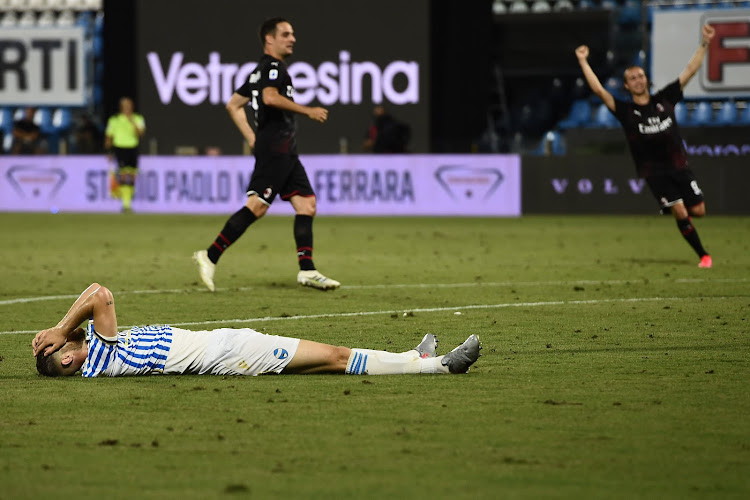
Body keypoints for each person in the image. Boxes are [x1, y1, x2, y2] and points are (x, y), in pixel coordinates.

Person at [31, 283, 481, 378]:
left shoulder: (96, 353)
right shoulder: (103, 357)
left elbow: (94, 301)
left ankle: (413, 358)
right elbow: (100, 295)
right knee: (335, 356)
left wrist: (61, 329)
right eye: (64, 345)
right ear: (68, 358)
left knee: (332, 357)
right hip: (234, 353)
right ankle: (439, 367)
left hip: (232, 347)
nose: (69, 339)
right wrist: (60, 326)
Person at [193, 17, 340, 292]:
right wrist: (307, 110)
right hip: (276, 150)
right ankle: (209, 255)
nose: (292, 38)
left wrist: (252, 137)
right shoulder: (273, 67)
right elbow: (270, 98)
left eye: (293, 33)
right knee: (257, 207)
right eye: (286, 34)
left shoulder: (258, 71)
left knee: (306, 205)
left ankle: (307, 270)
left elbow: (233, 105)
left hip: (284, 150)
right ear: (269, 39)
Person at [575, 24, 715, 269]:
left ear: (646, 80)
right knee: (680, 212)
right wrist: (583, 61)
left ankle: (683, 220)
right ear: (626, 86)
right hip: (655, 172)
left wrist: (704, 42)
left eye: (640, 76)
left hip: (679, 166)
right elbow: (598, 89)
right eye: (632, 78)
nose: (638, 80)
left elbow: (691, 70)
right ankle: (704, 256)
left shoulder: (665, 98)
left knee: (699, 211)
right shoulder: (626, 111)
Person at [104, 97, 145, 212]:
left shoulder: (138, 118)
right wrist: (109, 151)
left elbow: (141, 133)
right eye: (125, 105)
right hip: (120, 147)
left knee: (132, 175)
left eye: (129, 105)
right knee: (123, 174)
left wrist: (132, 121)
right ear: (121, 107)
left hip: (133, 147)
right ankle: (125, 204)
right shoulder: (114, 120)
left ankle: (128, 201)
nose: (127, 107)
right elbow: (109, 137)